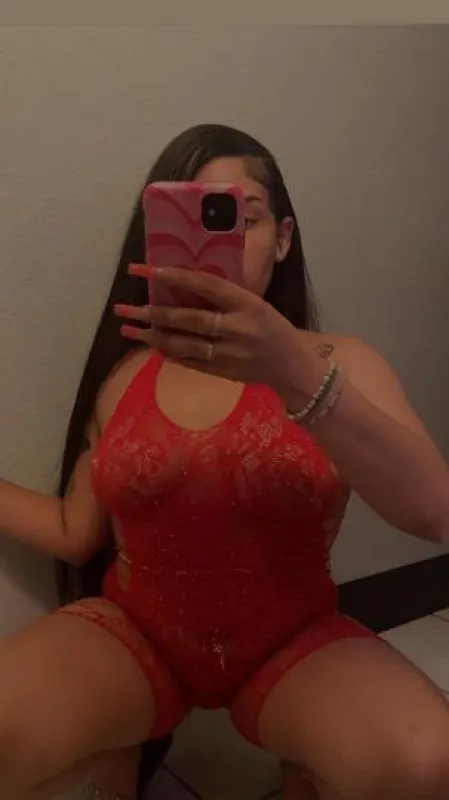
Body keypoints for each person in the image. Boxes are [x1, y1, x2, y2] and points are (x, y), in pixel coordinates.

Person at [2, 124, 449, 800]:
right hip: (137, 637)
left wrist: (294, 373)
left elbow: (434, 512)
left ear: (284, 238)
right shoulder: (124, 375)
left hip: (292, 642)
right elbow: (75, 529)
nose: (223, 242)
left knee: (427, 763)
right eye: (195, 219)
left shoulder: (338, 363)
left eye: (244, 218)